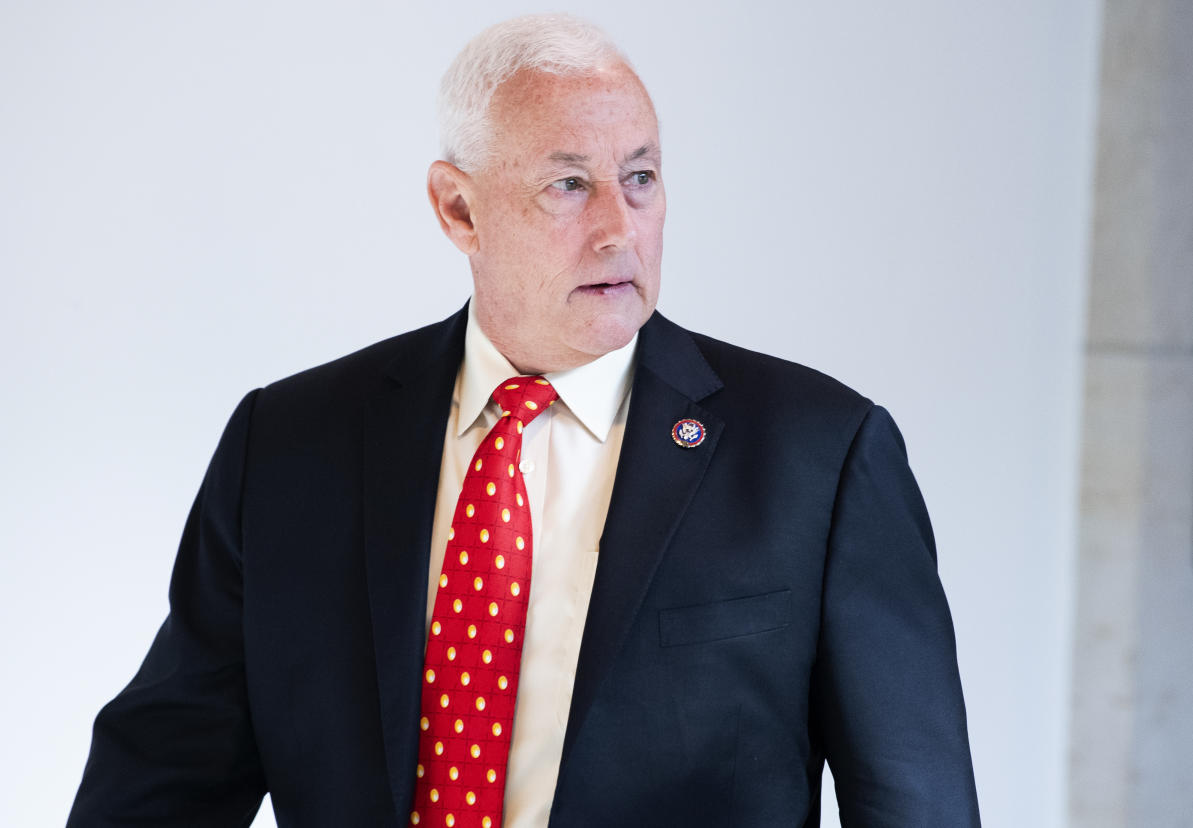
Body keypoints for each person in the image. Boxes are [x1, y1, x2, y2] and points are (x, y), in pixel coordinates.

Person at [69, 13, 980, 828]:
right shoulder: (291, 444)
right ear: (457, 207)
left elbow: (914, 801)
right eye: (569, 185)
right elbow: (163, 780)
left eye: (641, 177)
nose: (620, 228)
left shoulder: (819, 456)